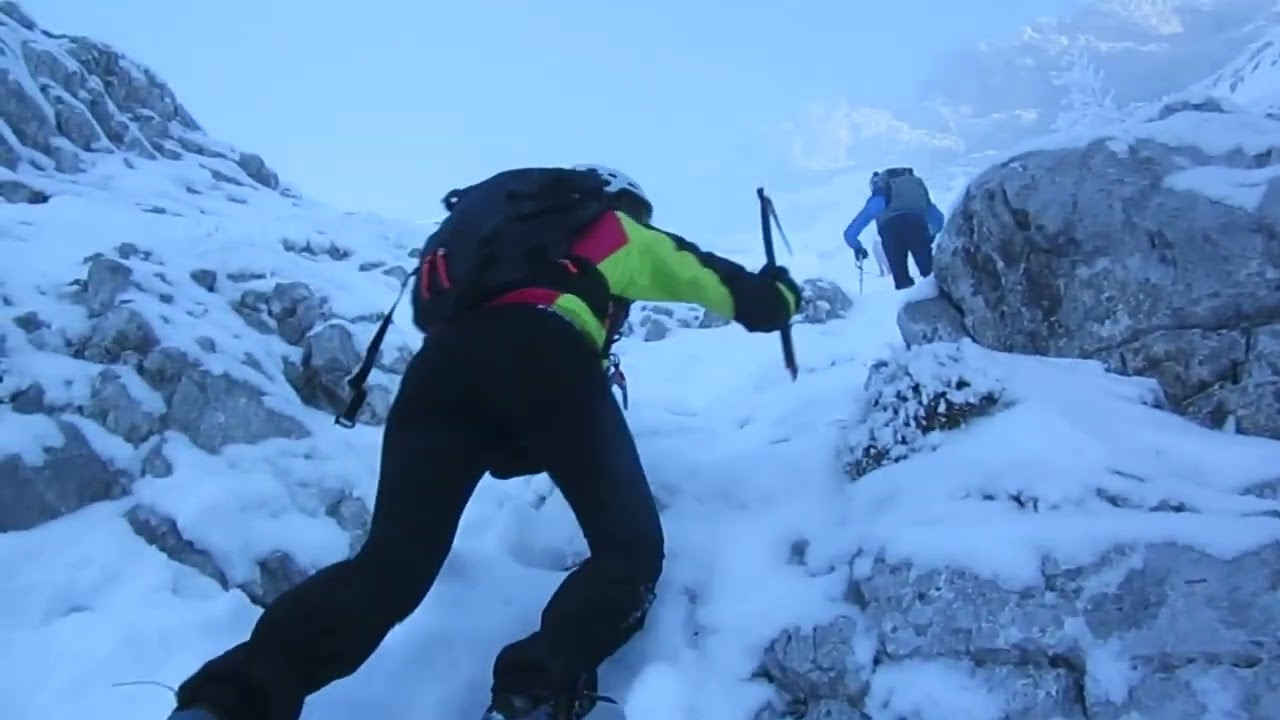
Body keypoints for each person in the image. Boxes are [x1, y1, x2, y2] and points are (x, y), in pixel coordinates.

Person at [166, 164, 801, 720]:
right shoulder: (601, 226)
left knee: (388, 570)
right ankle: (532, 696)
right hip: (542, 350)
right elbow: (692, 272)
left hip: (437, 374)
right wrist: (771, 298)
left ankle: (226, 703)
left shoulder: (482, 244)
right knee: (627, 551)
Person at [842, 167, 945, 290]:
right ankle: (944, 298)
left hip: (890, 230)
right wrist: (930, 235)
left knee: (901, 278)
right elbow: (938, 219)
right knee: (929, 272)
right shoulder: (915, 188)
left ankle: (911, 303)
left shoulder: (882, 187)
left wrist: (857, 247)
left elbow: (873, 209)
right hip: (917, 224)